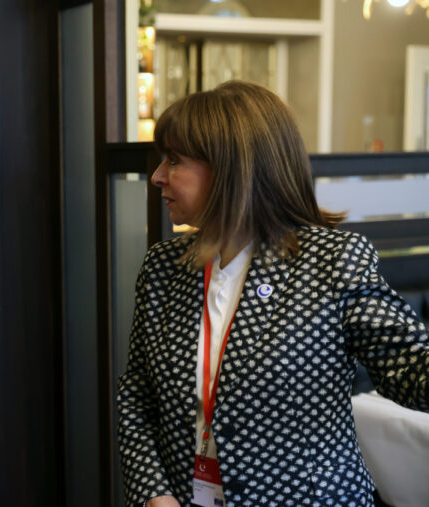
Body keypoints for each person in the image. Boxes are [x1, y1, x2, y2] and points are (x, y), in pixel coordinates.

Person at [117, 80, 429, 507]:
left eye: (174, 160)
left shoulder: (330, 262)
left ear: (232, 167)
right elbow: (137, 395)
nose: (157, 176)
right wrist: (154, 493)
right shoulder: (163, 267)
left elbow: (412, 369)